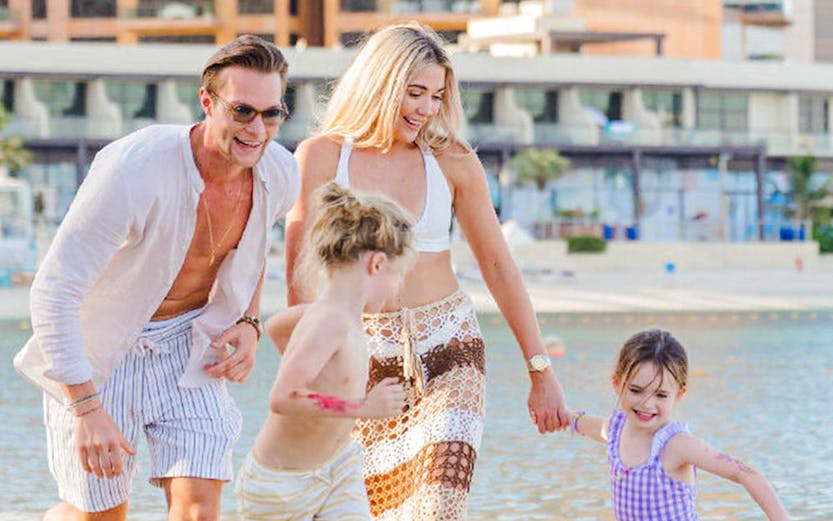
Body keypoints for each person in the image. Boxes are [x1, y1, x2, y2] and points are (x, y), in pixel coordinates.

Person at [278, 22, 569, 520]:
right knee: (372, 510)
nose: (426, 109)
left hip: (451, 351)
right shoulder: (322, 156)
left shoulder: (453, 161)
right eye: (414, 93)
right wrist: (313, 372)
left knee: (439, 506)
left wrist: (540, 369)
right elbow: (301, 277)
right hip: (360, 360)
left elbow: (499, 266)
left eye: (436, 96)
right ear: (379, 83)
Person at [13, 34, 299, 521]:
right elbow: (53, 292)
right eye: (242, 111)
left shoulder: (279, 172)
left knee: (199, 510)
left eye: (272, 114)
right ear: (207, 102)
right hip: (102, 352)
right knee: (99, 515)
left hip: (189, 347)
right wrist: (86, 408)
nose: (257, 129)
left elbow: (250, 253)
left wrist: (249, 321)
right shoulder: (135, 168)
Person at [236, 182, 415, 520]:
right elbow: (283, 397)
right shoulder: (330, 320)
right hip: (282, 488)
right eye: (399, 275)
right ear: (377, 264)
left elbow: (275, 326)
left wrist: (316, 376)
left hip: (338, 467)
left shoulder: (336, 315)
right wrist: (361, 407)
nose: (397, 287)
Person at [569, 329, 790, 521]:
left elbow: (746, 474)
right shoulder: (615, 429)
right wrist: (559, 415)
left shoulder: (676, 445)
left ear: (679, 394)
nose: (647, 404)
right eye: (636, 390)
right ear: (618, 384)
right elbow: (577, 421)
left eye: (661, 395)